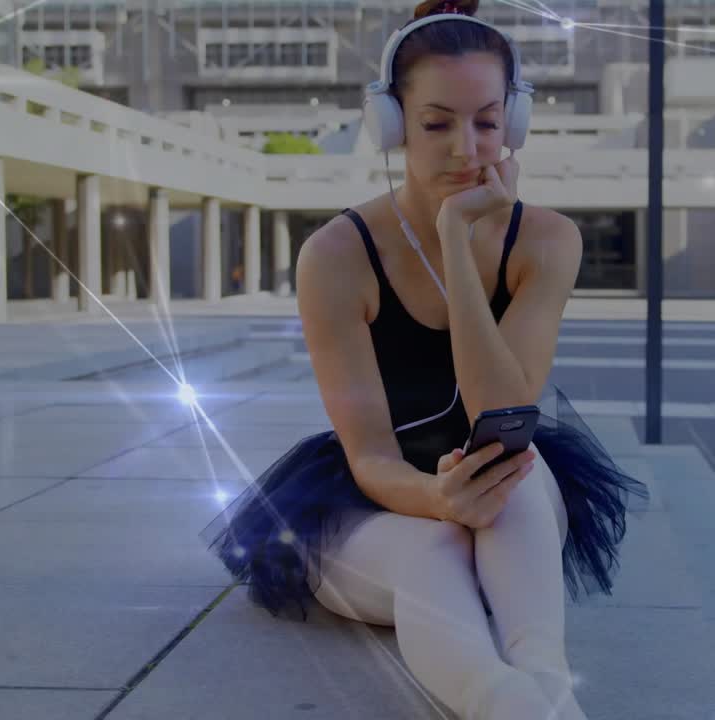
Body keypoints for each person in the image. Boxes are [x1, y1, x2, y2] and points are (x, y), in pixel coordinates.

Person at [199, 2, 649, 719]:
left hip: (503, 500)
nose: (465, 149)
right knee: (433, 549)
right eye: (436, 123)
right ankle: (506, 707)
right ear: (392, 123)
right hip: (374, 505)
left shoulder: (547, 242)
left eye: (487, 122)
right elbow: (371, 455)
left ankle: (549, 688)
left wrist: (460, 252)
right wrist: (439, 501)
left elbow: (502, 409)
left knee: (517, 480)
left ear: (516, 124)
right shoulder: (338, 256)